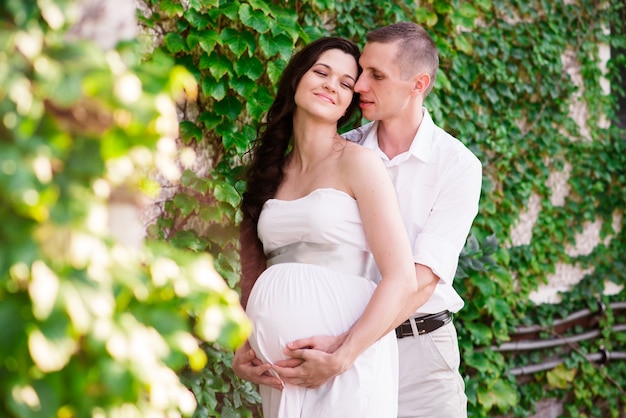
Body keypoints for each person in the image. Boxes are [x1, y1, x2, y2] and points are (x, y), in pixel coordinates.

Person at [234, 22, 482, 418]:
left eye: (375, 76)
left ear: (418, 84)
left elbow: (420, 278)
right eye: (361, 73)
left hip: (417, 343)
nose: (360, 86)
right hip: (322, 344)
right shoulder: (339, 147)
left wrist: (348, 348)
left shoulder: (456, 165)